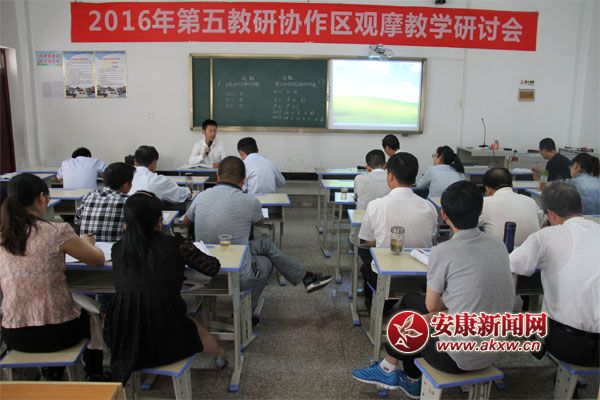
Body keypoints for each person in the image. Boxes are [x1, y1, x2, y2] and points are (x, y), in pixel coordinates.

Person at [352, 181, 515, 398]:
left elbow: (431, 305)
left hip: (454, 357)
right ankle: (391, 369)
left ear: (444, 214)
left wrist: (437, 312)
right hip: (493, 349)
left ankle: (400, 374)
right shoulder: (497, 244)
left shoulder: (444, 251)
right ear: (480, 211)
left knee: (412, 316)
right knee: (413, 303)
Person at [104, 191, 225, 383]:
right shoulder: (174, 244)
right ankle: (221, 356)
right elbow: (212, 267)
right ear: (159, 221)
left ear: (126, 223)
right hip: (165, 330)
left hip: (123, 335)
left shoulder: (118, 249)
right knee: (196, 328)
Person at [184, 156, 332, 310]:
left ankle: (306, 277)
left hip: (201, 268)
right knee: (267, 261)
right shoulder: (250, 201)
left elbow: (185, 222)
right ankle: (248, 308)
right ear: (244, 179)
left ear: (217, 176)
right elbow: (260, 222)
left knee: (264, 244)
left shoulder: (201, 196)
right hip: (234, 271)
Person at [0, 173, 107, 381]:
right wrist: (88, 243)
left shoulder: (3, 235)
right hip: (59, 334)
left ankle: (53, 371)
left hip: (14, 335)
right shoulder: (57, 231)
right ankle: (94, 374)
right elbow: (98, 259)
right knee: (92, 314)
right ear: (42, 198)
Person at [510, 182, 599, 367]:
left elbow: (512, 264)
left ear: (550, 214)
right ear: (581, 206)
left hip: (571, 344)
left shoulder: (546, 236)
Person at [358, 152, 438, 311]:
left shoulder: (376, 205)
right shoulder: (429, 207)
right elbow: (432, 242)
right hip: (422, 277)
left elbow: (367, 241)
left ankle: (376, 306)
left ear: (390, 176)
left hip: (386, 276)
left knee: (367, 262)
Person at [479, 167, 542, 245]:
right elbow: (542, 221)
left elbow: (469, 225)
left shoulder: (485, 203)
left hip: (499, 251)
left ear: (487, 189)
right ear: (511, 184)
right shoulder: (530, 201)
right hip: (531, 251)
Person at [76, 162, 135, 242]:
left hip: (87, 247)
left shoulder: (89, 196)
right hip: (114, 248)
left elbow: (77, 221)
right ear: (125, 185)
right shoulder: (128, 201)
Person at [351, 150, 390, 244]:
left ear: (367, 166)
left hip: (361, 236)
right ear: (385, 164)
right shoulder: (392, 179)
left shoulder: (359, 178)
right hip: (386, 235)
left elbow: (355, 198)